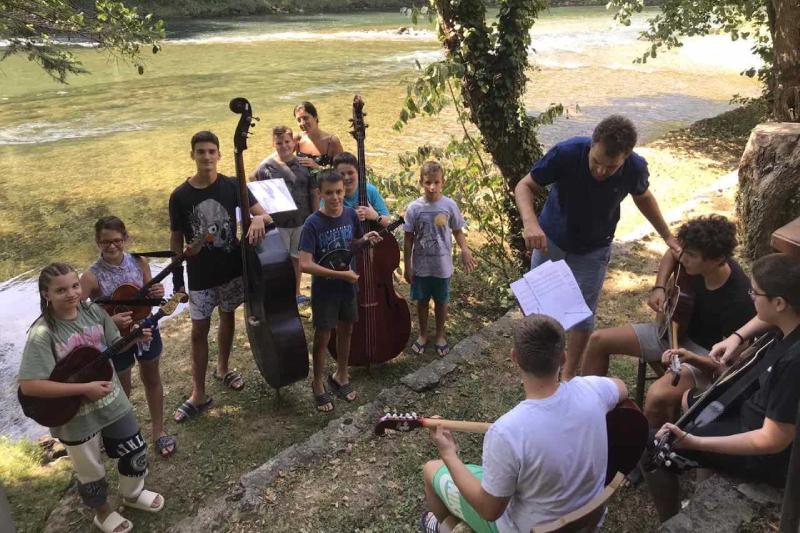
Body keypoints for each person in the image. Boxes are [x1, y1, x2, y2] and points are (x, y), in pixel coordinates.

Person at [420, 314, 627, 533]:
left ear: (514, 357)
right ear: (564, 359)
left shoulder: (506, 432)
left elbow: (489, 510)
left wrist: (449, 454)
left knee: (431, 469)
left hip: (519, 528)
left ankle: (444, 526)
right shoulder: (592, 390)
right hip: (588, 522)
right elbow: (621, 387)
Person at [514, 115, 680, 380]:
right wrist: (530, 223)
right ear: (591, 144)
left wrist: (667, 236)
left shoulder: (635, 168)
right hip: (551, 241)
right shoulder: (566, 153)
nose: (601, 171)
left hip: (593, 249)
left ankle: (568, 376)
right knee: (538, 308)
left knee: (582, 314)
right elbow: (525, 185)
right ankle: (541, 371)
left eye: (611, 167)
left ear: (625, 158)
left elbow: (644, 197)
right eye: (596, 162)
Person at [646, 253, 800, 521]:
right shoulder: (790, 316)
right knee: (689, 402)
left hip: (768, 455)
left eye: (755, 292)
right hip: (752, 406)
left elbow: (772, 440)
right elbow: (766, 317)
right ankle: (702, 489)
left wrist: (698, 442)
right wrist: (737, 337)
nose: (750, 296)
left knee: (656, 446)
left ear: (779, 303)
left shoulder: (793, 364)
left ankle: (669, 520)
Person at [18, 263, 163, 533]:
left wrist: (136, 336)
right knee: (90, 468)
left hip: (111, 400)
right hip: (73, 414)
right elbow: (30, 386)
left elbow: (112, 343)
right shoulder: (43, 333)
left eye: (74, 286)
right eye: (61, 290)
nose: (72, 293)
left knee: (135, 447)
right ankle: (102, 512)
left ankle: (132, 494)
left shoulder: (93, 311)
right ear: (46, 294)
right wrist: (82, 390)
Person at [581, 215, 755, 428]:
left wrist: (690, 358)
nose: (683, 259)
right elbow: (673, 254)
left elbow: (727, 364)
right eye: (685, 252)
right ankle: (585, 413)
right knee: (598, 340)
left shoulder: (738, 300)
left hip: (704, 355)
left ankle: (650, 451)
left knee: (657, 395)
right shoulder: (691, 259)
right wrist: (660, 287)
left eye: (691, 256)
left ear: (717, 259)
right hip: (673, 329)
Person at [168, 130, 272, 422]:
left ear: (219, 155)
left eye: (211, 152)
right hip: (199, 274)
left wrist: (258, 222)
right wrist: (177, 278)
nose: (206, 157)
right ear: (192, 155)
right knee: (198, 331)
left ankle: (223, 368)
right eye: (200, 152)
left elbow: (264, 214)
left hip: (230, 270)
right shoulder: (180, 195)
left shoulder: (231, 185)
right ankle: (197, 393)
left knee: (228, 317)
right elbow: (175, 239)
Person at [80, 216, 176, 458]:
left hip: (145, 330)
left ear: (125, 238)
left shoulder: (138, 260)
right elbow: (77, 315)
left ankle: (159, 431)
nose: (111, 246)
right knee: (122, 388)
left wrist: (157, 292)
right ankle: (124, 435)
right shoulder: (90, 277)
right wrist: (109, 322)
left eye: (116, 241)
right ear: (97, 242)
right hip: (115, 340)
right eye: (105, 242)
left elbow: (148, 299)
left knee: (152, 379)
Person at [298, 170, 382, 412]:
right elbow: (305, 264)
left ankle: (341, 375)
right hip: (326, 290)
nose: (334, 197)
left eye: (339, 192)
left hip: (348, 286)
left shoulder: (349, 215)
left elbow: (351, 246)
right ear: (320, 194)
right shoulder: (312, 223)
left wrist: (365, 239)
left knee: (346, 329)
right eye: (329, 193)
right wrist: (339, 275)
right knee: (323, 336)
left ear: (344, 192)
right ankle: (317, 383)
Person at [404, 161, 475, 357]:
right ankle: (424, 334)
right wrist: (407, 266)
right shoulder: (413, 208)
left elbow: (458, 231)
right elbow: (408, 239)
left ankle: (440, 335)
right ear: (421, 182)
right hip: (421, 266)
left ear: (443, 182)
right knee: (422, 301)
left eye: (436, 182)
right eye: (427, 182)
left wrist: (465, 249)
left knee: (442, 301)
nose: (432, 187)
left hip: (442, 266)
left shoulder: (449, 205)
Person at [251, 125, 320, 305]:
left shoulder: (305, 164)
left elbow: (314, 192)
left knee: (297, 259)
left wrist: (316, 217)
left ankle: (296, 292)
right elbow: (253, 187)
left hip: (302, 220)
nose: (284, 146)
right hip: (277, 223)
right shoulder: (266, 168)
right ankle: (281, 294)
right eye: (279, 142)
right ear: (273, 144)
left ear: (294, 143)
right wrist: (260, 217)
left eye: (287, 142)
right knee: (278, 261)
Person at [331, 151, 392, 228]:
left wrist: (375, 216)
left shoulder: (370, 190)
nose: (346, 177)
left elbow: (389, 224)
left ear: (358, 173)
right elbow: (323, 224)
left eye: (350, 173)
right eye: (342, 174)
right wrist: (350, 217)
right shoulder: (331, 194)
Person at [293, 101, 343, 170]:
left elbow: (342, 170)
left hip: (325, 180)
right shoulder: (298, 139)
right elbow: (280, 156)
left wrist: (318, 167)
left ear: (315, 117)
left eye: (305, 118)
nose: (302, 123)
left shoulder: (332, 141)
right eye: (299, 120)